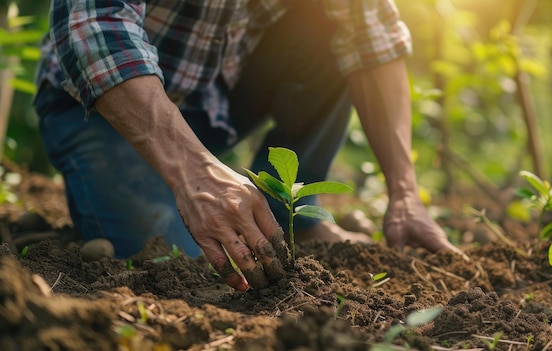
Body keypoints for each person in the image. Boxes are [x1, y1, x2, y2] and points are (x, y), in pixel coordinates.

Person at [34, 0, 464, 292]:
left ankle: (285, 218)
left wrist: (406, 194)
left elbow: (371, 34)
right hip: (101, 106)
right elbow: (96, 27)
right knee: (182, 266)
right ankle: (206, 196)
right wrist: (195, 172)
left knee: (326, 20)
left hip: (212, 94)